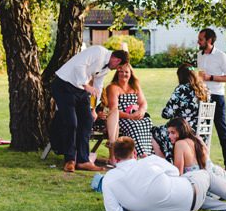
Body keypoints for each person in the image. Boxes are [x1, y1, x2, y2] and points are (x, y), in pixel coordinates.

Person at [50, 44, 111, 172]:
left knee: (88, 120)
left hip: (80, 90)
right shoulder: (98, 51)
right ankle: (70, 160)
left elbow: (98, 87)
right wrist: (86, 85)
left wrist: (93, 108)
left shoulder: (107, 68)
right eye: (119, 67)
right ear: (116, 60)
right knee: (71, 123)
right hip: (64, 85)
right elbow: (79, 65)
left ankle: (83, 160)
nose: (117, 69)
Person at [196, 28, 226, 172]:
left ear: (209, 41)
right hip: (202, 97)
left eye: (201, 39)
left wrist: (211, 77)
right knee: (200, 132)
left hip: (217, 97)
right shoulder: (199, 55)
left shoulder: (221, 56)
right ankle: (200, 162)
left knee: (221, 131)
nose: (198, 42)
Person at [103, 59, 159, 159]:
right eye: (120, 71)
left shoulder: (135, 85)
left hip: (135, 115)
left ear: (131, 74)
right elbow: (113, 109)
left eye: (126, 72)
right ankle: (141, 153)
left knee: (147, 122)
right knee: (133, 126)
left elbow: (143, 102)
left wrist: (141, 111)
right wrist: (129, 116)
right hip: (121, 118)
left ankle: (150, 153)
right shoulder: (113, 87)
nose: (123, 74)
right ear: (117, 73)